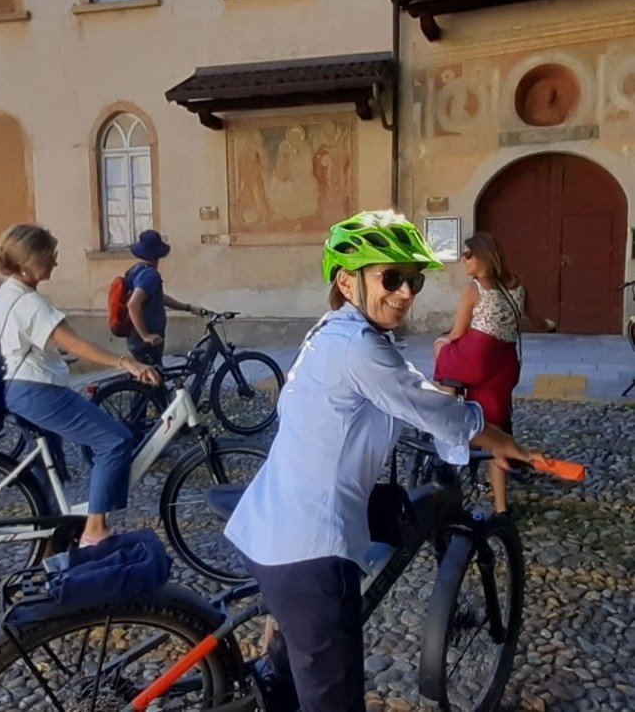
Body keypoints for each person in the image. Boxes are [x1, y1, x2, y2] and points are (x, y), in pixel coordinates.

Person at [224, 211, 541, 712]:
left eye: (414, 280)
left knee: (292, 666)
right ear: (347, 281)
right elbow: (432, 408)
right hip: (309, 550)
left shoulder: (334, 331)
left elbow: (403, 388)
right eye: (391, 278)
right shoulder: (360, 347)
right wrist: (503, 441)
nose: (406, 292)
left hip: (271, 516)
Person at [0, 223, 159, 546]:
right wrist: (126, 362)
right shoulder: (32, 303)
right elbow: (74, 343)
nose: (55, 262)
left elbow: (13, 342)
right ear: (27, 264)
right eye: (49, 257)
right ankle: (94, 531)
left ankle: (53, 541)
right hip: (37, 391)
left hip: (16, 387)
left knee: (48, 470)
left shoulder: (7, 294)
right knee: (114, 441)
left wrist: (49, 358)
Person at [433, 231, 555, 514]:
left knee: (439, 346)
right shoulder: (518, 285)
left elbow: (456, 334)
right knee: (495, 431)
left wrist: (443, 340)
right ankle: (501, 508)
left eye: (467, 255)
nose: (463, 260)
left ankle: (444, 413)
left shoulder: (473, 289)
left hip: (476, 361)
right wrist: (550, 324)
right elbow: (538, 321)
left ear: (482, 256)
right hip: (504, 367)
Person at [125, 229, 204, 365]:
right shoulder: (150, 275)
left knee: (150, 375)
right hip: (148, 341)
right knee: (154, 376)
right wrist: (146, 335)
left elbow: (159, 298)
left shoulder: (135, 270)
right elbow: (133, 304)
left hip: (136, 337)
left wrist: (188, 307)